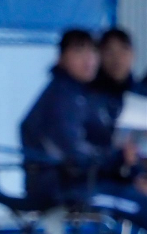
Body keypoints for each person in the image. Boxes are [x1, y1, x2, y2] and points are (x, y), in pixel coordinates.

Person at [19, 29, 146, 222]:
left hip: (79, 183)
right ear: (61, 57)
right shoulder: (62, 98)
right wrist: (119, 158)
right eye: (79, 52)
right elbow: (75, 154)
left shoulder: (76, 94)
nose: (88, 60)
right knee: (141, 206)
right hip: (66, 189)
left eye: (93, 52)